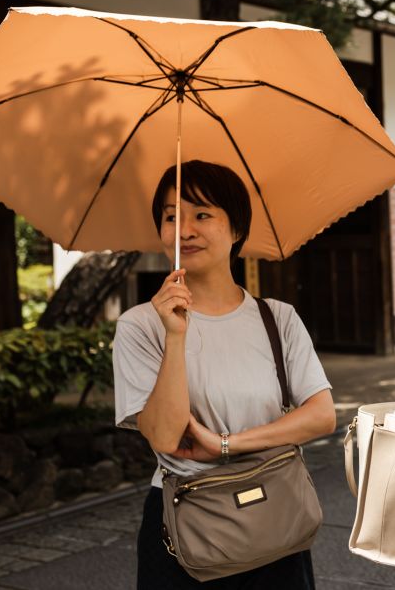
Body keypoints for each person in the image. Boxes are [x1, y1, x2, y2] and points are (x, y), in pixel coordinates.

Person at [112, 160, 337, 589]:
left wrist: (226, 445)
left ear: (236, 230)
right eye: (171, 216)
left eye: (202, 214)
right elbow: (164, 436)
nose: (184, 230)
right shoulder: (140, 326)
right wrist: (174, 335)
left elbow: (321, 415)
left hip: (276, 512)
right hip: (186, 522)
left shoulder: (278, 318)